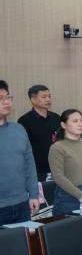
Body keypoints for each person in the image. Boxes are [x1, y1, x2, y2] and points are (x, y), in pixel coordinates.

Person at [0, 81, 40, 225]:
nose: (6, 102)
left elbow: (29, 164)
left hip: (22, 204)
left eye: (8, 97)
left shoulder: (18, 129)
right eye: (1, 98)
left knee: (25, 240)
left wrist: (33, 194)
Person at [48, 109, 82, 215]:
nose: (80, 124)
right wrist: (80, 195)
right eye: (75, 121)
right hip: (68, 196)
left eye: (81, 120)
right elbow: (58, 176)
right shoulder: (57, 147)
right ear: (63, 125)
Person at [17, 84, 60, 180]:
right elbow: (22, 148)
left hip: (57, 167)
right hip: (37, 170)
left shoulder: (56, 118)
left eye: (49, 96)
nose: (48, 99)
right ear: (33, 100)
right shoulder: (24, 121)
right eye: (44, 97)